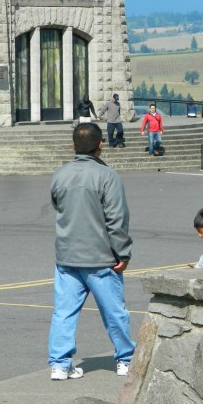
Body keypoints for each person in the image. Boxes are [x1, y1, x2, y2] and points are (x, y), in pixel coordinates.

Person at [48, 122, 135, 380]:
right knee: (114, 311)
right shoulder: (107, 177)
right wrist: (123, 253)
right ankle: (125, 359)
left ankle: (60, 364)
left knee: (63, 312)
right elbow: (116, 219)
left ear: (73, 145)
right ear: (100, 145)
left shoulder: (60, 175)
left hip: (67, 255)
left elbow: (57, 206)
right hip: (100, 257)